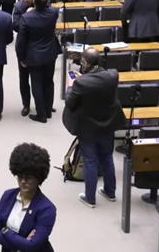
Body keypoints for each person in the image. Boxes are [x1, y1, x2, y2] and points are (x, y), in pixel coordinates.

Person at [63, 47, 126, 208]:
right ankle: (110, 192)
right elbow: (99, 81)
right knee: (107, 158)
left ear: (85, 63)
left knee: (90, 160)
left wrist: (71, 85)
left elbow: (70, 103)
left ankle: (90, 198)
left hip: (88, 127)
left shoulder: (80, 83)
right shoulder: (113, 75)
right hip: (107, 124)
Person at [0, 143, 57, 251]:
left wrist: (6, 232)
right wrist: (21, 243)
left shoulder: (47, 209)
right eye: (19, 176)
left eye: (29, 178)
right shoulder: (8, 196)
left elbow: (32, 246)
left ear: (39, 178)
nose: (23, 182)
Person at [16, 0, 61, 123]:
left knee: (37, 83)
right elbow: (49, 8)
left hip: (34, 55)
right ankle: (48, 110)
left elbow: (21, 41)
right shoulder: (53, 13)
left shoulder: (27, 17)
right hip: (50, 53)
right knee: (49, 81)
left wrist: (21, 57)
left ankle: (41, 114)